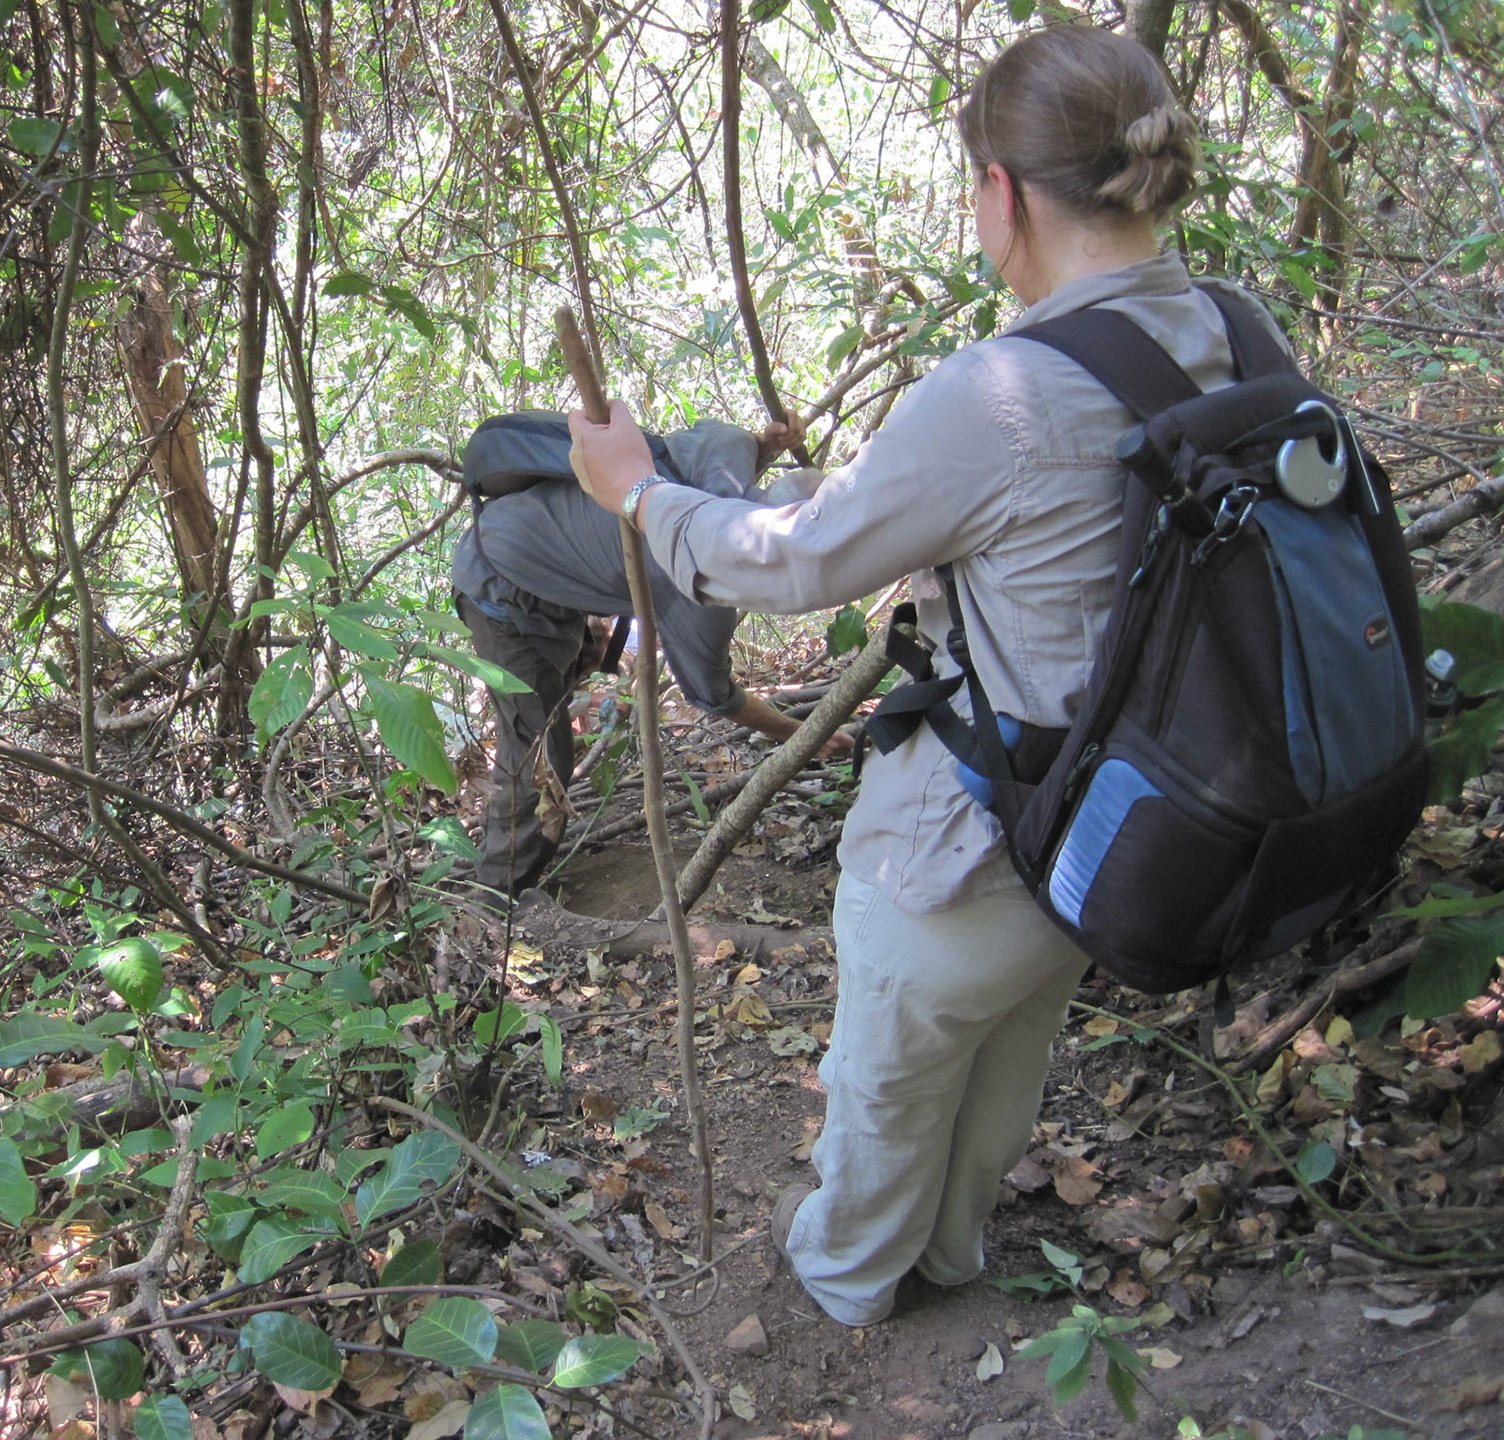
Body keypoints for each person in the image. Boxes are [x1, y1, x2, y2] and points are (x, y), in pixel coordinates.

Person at [570, 25, 1284, 1327]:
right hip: (1125, 837)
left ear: (1003, 193)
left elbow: (790, 562)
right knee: (1004, 1066)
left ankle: (845, 1321)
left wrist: (641, 494)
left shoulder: (1006, 390)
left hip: (967, 849)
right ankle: (951, 1269)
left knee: (888, 1094)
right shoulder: (1239, 328)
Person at [452, 414, 848, 900]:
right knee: (538, 754)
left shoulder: (727, 452)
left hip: (539, 563)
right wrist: (805, 732)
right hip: (500, 589)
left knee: (568, 688)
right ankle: (497, 894)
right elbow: (714, 696)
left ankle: (517, 847)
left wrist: (765, 446)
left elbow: (729, 452)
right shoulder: (701, 579)